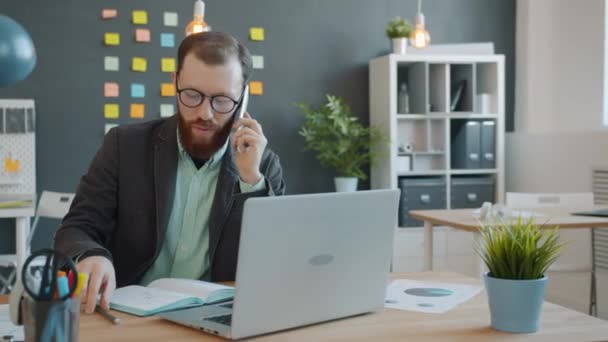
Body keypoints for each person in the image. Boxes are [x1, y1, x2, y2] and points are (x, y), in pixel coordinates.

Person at [54, 31, 286, 314]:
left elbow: (271, 264)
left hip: (214, 317)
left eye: (222, 100)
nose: (205, 113)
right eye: (192, 95)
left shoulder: (263, 166)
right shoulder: (124, 145)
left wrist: (251, 182)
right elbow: (77, 227)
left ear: (243, 98)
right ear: (174, 82)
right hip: (126, 314)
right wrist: (91, 255)